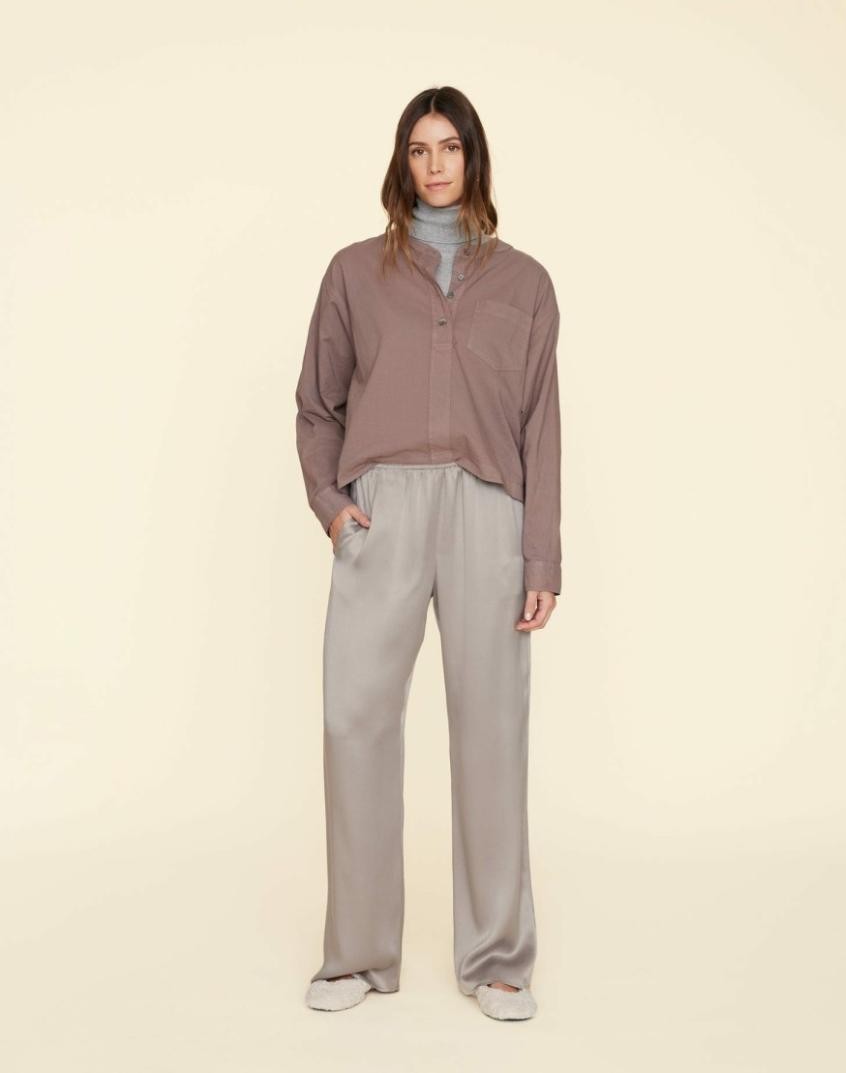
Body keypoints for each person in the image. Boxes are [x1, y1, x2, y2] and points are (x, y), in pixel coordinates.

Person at [295, 86, 561, 1021]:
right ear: (401, 162)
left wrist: (539, 557)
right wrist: (333, 506)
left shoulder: (525, 283)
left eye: (450, 147)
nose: (435, 164)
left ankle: (498, 959)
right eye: (419, 148)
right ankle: (358, 955)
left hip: (489, 511)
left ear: (473, 158)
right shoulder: (353, 272)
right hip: (382, 509)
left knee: (492, 729)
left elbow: (541, 426)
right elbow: (317, 404)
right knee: (354, 720)